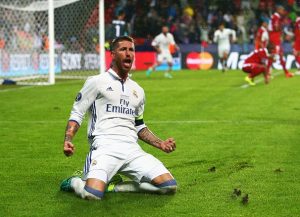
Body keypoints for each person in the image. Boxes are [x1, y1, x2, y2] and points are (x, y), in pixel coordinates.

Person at [60, 36, 177, 200]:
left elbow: (139, 126)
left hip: (132, 149)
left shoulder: (138, 90)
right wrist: (68, 138)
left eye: (131, 50)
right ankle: (74, 182)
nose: (128, 53)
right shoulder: (96, 82)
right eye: (123, 49)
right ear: (113, 54)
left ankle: (116, 187)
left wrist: (161, 144)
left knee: (169, 186)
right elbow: (77, 114)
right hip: (105, 148)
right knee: (91, 194)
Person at [268, 5, 294, 78]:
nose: (283, 12)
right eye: (282, 10)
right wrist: (282, 27)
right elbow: (276, 28)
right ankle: (267, 71)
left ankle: (286, 72)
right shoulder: (276, 17)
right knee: (274, 55)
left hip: (275, 37)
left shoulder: (274, 16)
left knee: (280, 55)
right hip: (275, 37)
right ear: (278, 10)